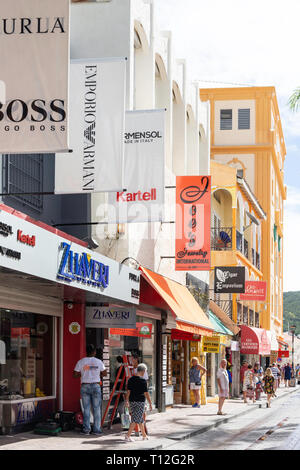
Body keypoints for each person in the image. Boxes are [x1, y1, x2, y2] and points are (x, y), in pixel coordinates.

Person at [73, 344, 107, 436]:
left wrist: (83, 374)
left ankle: (86, 430)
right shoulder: (99, 362)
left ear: (86, 352)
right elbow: (105, 373)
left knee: (86, 409)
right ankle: (96, 430)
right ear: (94, 352)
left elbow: (74, 374)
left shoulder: (81, 362)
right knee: (96, 408)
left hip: (85, 386)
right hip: (96, 386)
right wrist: (97, 374)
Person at [125, 363, 152, 442]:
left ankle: (144, 436)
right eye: (145, 371)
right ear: (143, 371)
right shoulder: (143, 381)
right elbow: (146, 393)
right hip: (140, 402)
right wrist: (150, 403)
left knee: (139, 419)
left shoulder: (130, 379)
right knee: (136, 419)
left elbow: (128, 392)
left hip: (132, 401)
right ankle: (128, 436)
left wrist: (127, 400)